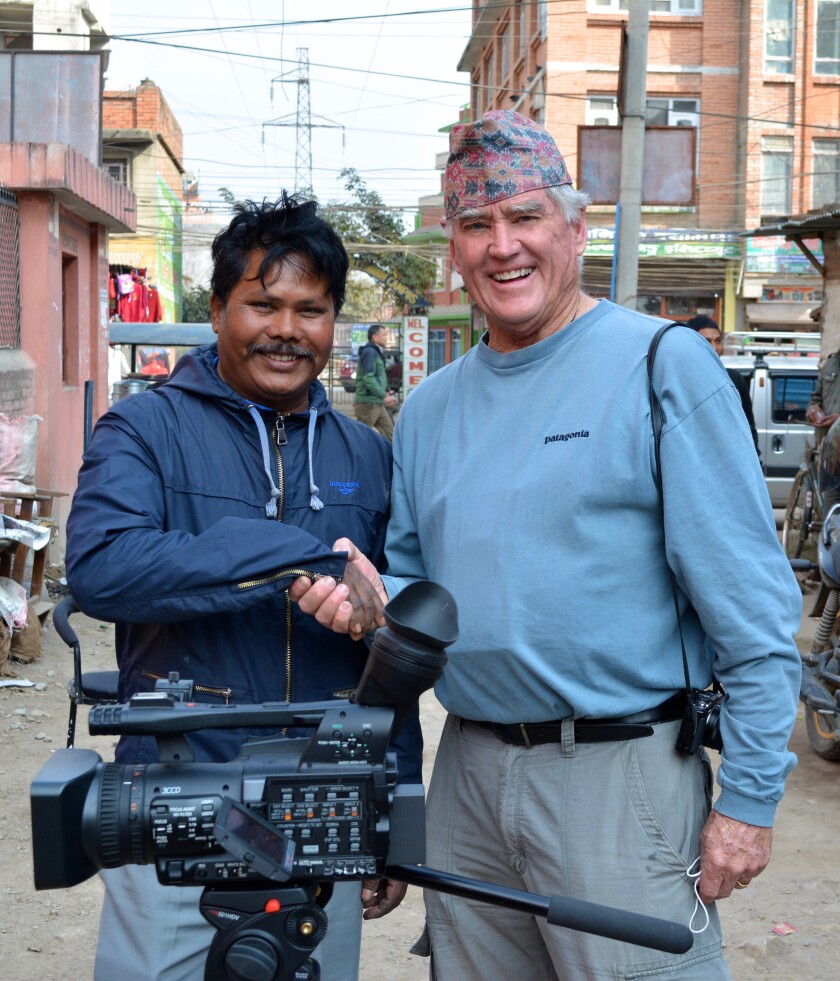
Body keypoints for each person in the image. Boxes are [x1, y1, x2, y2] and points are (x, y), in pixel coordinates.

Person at [291, 110, 802, 979]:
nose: (503, 246)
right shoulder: (431, 408)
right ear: (452, 247)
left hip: (618, 773)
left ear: (576, 226)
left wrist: (749, 797)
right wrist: (370, 598)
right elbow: (417, 590)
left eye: (525, 217)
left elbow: (751, 606)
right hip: (471, 770)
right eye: (477, 224)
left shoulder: (660, 365)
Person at [65, 193, 418, 981]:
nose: (286, 329)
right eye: (262, 303)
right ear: (218, 307)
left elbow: (395, 648)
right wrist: (293, 559)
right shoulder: (143, 429)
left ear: (334, 322)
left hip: (328, 807)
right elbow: (104, 566)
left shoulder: (367, 454)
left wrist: (398, 798)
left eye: (311, 309)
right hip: (182, 803)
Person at [685, 315, 761, 457]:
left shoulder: (734, 380)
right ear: (690, 343)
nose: (714, 347)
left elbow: (747, 427)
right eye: (706, 341)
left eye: (718, 341)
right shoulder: (680, 381)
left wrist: (755, 462)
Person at [354, 323, 397, 441]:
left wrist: (386, 392)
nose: (386, 337)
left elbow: (377, 376)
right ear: (375, 337)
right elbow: (368, 378)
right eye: (384, 335)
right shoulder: (369, 352)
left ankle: (392, 459)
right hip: (367, 403)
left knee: (392, 436)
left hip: (376, 402)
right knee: (361, 439)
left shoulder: (376, 352)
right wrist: (383, 395)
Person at [805, 347, 840, 443]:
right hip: (826, 445)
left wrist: (838, 421)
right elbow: (816, 397)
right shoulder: (831, 364)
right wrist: (813, 408)